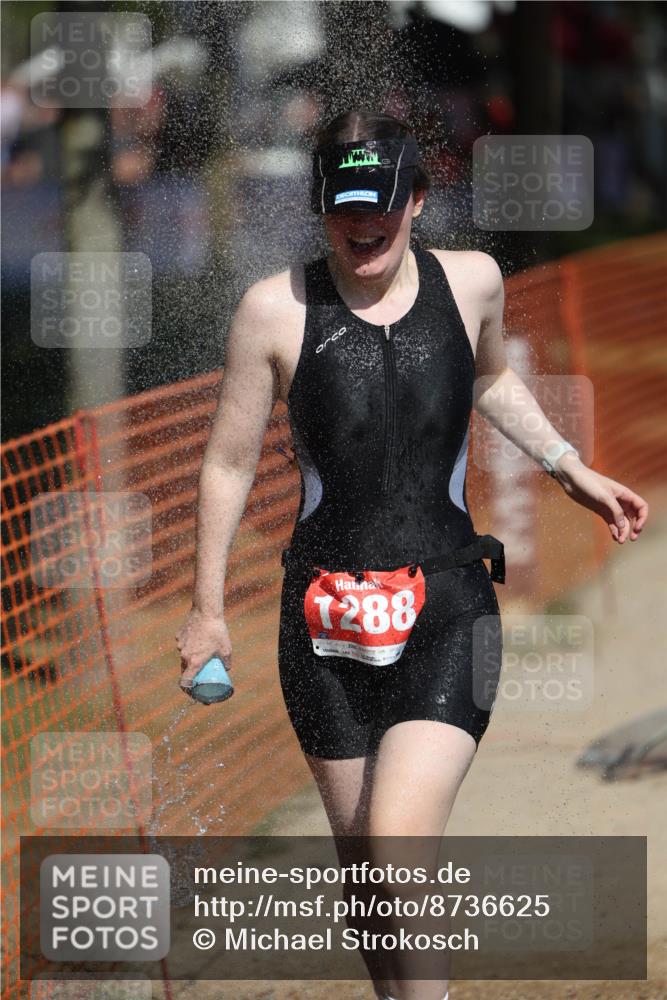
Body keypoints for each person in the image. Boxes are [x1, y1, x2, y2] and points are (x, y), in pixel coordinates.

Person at [176, 111, 649, 1000]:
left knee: (395, 852)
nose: (363, 229)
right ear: (319, 208)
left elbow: (489, 375)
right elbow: (229, 462)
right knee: (367, 886)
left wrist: (567, 465)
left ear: (419, 200)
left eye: (380, 210)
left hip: (446, 606)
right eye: (343, 211)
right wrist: (205, 611)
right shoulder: (272, 308)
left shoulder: (471, 281)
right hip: (320, 625)